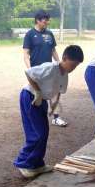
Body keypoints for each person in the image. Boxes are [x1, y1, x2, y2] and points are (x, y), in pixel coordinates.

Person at [14, 45, 84, 178]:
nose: (73, 68)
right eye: (73, 65)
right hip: (30, 97)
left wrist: (54, 104)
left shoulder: (65, 75)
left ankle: (37, 164)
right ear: (64, 58)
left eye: (76, 66)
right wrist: (37, 92)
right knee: (37, 133)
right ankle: (24, 163)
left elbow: (59, 90)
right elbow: (29, 73)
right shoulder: (50, 68)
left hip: (42, 100)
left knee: (44, 133)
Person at [23, 10, 67, 127]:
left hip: (49, 69)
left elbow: (53, 50)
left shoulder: (49, 34)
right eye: (45, 20)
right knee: (37, 94)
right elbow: (26, 54)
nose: (47, 22)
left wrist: (59, 64)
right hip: (37, 71)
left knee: (54, 91)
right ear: (37, 21)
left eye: (47, 20)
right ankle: (37, 118)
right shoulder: (30, 34)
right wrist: (30, 70)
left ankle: (56, 118)